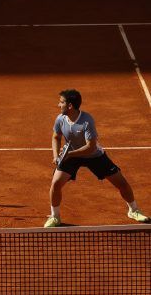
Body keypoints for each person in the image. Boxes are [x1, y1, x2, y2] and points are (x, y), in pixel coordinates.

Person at [45, 89, 148, 227]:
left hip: (93, 155)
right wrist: (56, 155)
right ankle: (55, 216)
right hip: (71, 154)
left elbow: (91, 147)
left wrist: (69, 154)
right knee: (56, 184)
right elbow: (55, 137)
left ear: (70, 106)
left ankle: (133, 210)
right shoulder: (60, 119)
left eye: (61, 102)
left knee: (121, 183)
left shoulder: (87, 121)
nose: (58, 105)